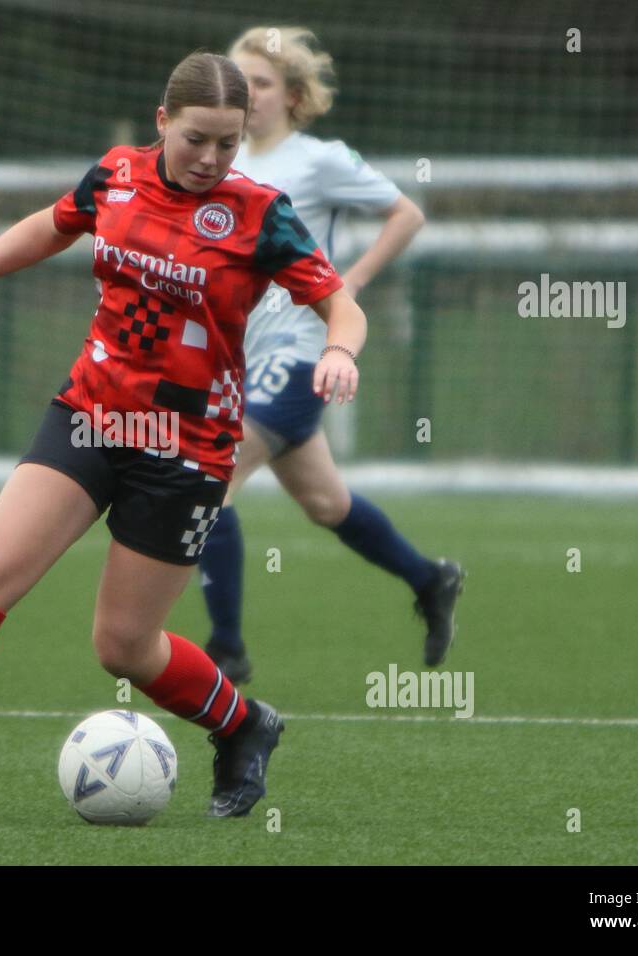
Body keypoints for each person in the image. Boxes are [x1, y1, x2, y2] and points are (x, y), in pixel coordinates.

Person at [0, 51, 366, 819]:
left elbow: (340, 302)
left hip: (185, 445)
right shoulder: (117, 174)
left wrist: (338, 349)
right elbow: (54, 224)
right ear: (162, 121)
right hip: (91, 413)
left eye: (228, 144)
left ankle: (244, 724)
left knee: (123, 649)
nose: (210, 159)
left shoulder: (260, 214)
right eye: (196, 138)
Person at [196, 26, 464, 685]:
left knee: (212, 478)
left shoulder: (319, 160)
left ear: (291, 95)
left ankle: (225, 647)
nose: (246, 94)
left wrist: (354, 282)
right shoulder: (223, 163)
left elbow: (406, 213)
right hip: (244, 359)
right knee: (325, 503)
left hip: (305, 353)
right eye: (238, 81)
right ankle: (430, 579)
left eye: (259, 82)